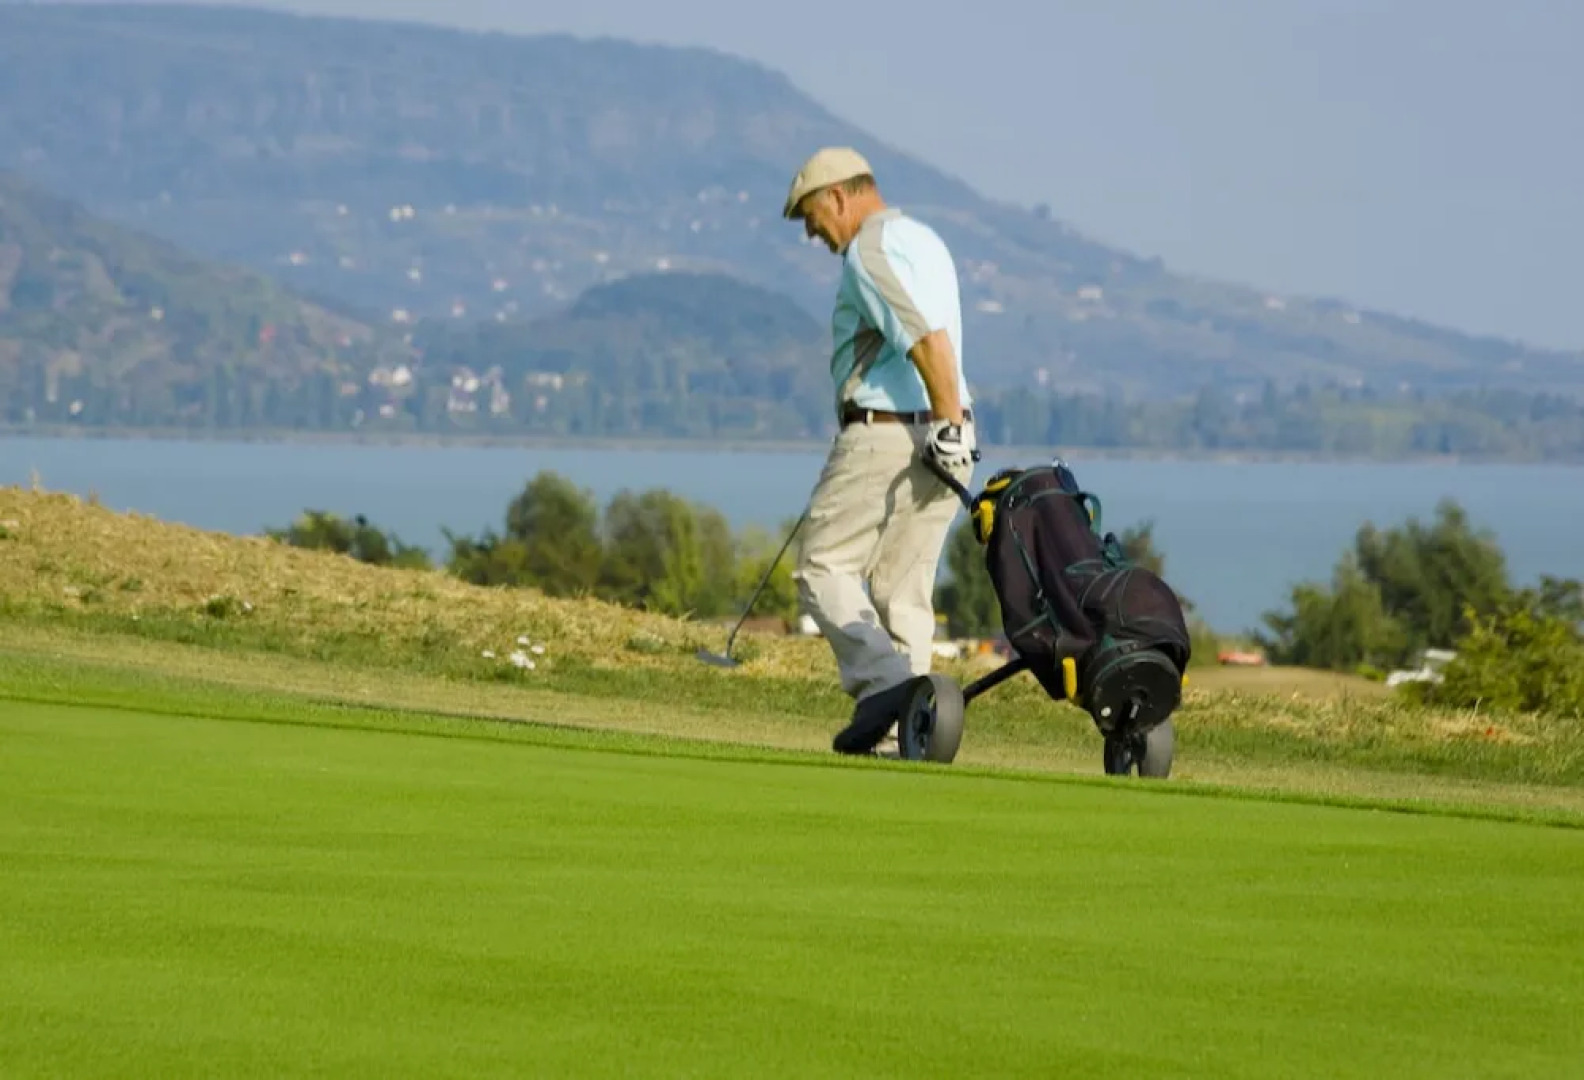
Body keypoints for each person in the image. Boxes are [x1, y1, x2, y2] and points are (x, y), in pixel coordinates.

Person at [781, 146, 977, 756]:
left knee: (823, 567)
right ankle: (908, 737)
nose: (818, 237)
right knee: (901, 588)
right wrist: (953, 430)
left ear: (838, 196)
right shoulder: (927, 241)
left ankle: (890, 689)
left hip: (892, 432)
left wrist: (942, 421)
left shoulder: (868, 249)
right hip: (950, 433)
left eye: (816, 220)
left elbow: (926, 338)